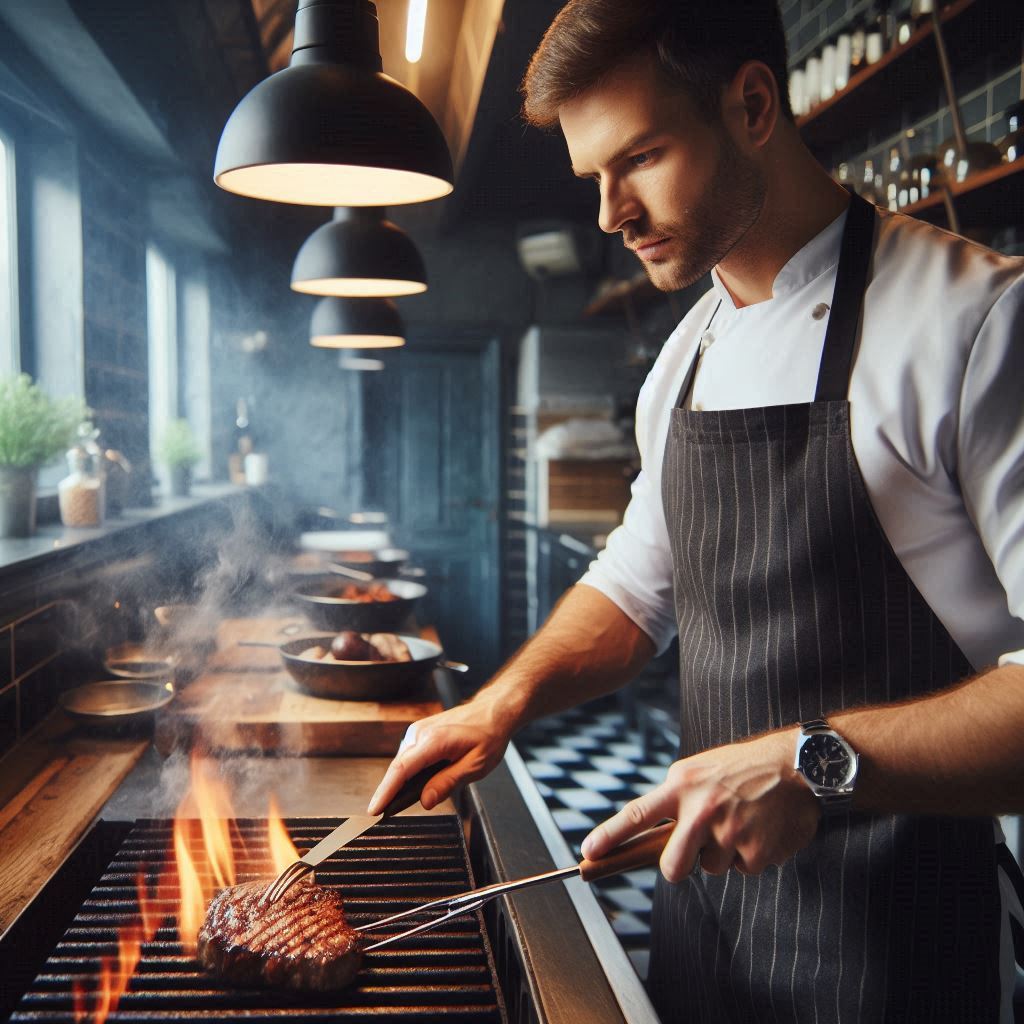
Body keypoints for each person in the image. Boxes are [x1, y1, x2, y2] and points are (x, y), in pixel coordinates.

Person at [367, 0, 1024, 1018]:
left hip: (903, 944)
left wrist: (811, 764)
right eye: (593, 176)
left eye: (639, 158)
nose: (607, 214)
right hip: (710, 927)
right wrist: (499, 702)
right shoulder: (683, 363)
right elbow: (637, 587)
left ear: (754, 104)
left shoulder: (971, 321)